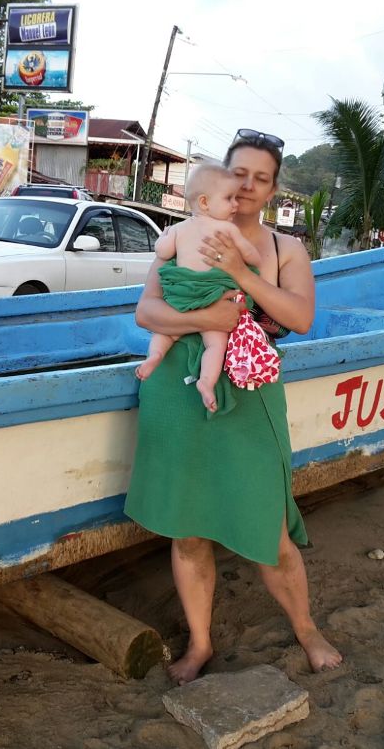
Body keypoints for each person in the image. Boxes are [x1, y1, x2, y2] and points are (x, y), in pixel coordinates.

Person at [124, 128, 343, 685]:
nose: (246, 186)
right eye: (238, 174)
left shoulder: (281, 249)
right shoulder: (181, 235)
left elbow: (299, 319)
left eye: (260, 179)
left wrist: (243, 276)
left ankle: (307, 628)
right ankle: (199, 644)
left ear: (273, 189)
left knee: (267, 523)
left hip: (248, 389)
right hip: (179, 386)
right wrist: (205, 320)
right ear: (218, 181)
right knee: (188, 527)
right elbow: (147, 313)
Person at [135, 164, 262, 412]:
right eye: (229, 198)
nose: (235, 204)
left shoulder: (179, 229)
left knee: (164, 333)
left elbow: (162, 251)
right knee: (216, 344)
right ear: (204, 202)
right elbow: (253, 258)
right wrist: (246, 258)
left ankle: (155, 357)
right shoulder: (227, 229)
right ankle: (206, 382)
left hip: (180, 296)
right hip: (210, 296)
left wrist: (165, 236)